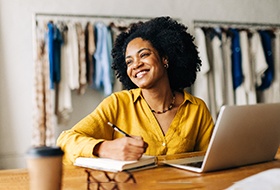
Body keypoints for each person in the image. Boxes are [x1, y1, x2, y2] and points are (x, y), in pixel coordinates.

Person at [57, 16, 214, 165]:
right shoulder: (117, 104)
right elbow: (64, 142)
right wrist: (105, 148)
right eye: (129, 62)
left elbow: (212, 161)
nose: (136, 65)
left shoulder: (197, 109)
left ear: (165, 58)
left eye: (144, 55)